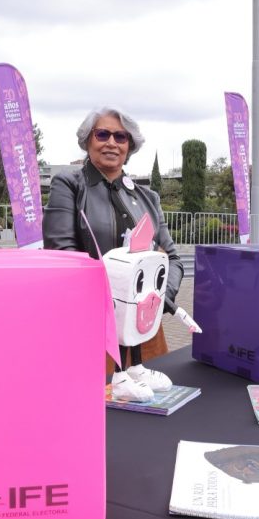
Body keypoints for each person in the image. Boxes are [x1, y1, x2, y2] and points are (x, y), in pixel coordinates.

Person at [43, 107, 184, 397]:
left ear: (130, 145)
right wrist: (109, 299)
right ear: (87, 140)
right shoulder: (69, 185)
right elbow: (62, 254)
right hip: (93, 324)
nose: (112, 142)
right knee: (98, 407)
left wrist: (159, 298)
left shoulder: (148, 197)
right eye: (102, 134)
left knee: (150, 411)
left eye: (121, 136)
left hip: (143, 326)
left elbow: (172, 258)